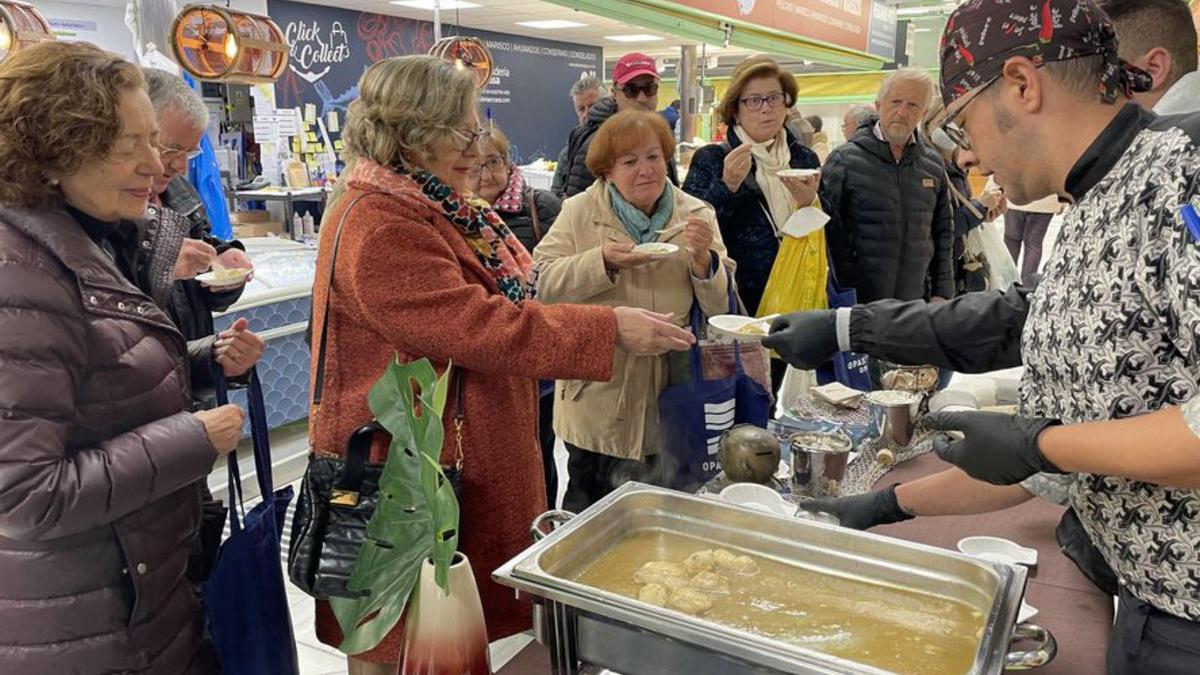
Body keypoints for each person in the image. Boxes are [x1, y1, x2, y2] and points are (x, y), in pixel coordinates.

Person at [764, 0, 1200, 670]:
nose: (967, 153)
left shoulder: (1182, 177)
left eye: (962, 123)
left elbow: (1057, 445)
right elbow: (1045, 447)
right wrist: (879, 506)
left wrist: (1044, 442)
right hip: (1145, 600)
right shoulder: (1089, 205)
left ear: (1024, 84)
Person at [309, 55, 695, 673]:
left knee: (446, 631)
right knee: (400, 638)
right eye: (462, 130)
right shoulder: (381, 223)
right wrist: (609, 328)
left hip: (438, 456)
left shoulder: (430, 204)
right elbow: (481, 326)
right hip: (402, 476)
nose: (475, 145)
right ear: (415, 133)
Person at [0, 41, 252, 673]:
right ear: (54, 146)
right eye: (128, 145)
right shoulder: (21, 273)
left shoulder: (91, 238)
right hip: (84, 620)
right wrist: (192, 437)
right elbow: (25, 496)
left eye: (156, 144)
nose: (154, 166)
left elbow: (93, 384)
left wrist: (199, 360)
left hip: (131, 594)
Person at [534, 110, 733, 511]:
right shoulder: (578, 212)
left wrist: (703, 263)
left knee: (664, 513)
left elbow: (721, 306)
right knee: (586, 514)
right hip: (597, 397)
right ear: (606, 171)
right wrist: (600, 261)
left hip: (673, 396)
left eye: (654, 157)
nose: (646, 171)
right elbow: (541, 282)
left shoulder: (696, 214)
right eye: (630, 162)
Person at [144, 68, 257, 403]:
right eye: (169, 149)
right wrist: (162, 262)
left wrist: (225, 269)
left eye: (189, 153)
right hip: (144, 403)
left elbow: (203, 292)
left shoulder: (179, 191)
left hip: (188, 383)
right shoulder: (93, 213)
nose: (179, 165)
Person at [465, 124, 563, 507]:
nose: (486, 174)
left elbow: (559, 276)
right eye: (476, 164)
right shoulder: (456, 212)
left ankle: (542, 520)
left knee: (539, 449)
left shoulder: (540, 206)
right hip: (486, 360)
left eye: (495, 162)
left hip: (536, 354)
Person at [682, 56, 821, 318]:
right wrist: (727, 185)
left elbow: (828, 231)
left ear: (786, 103)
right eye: (754, 100)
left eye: (774, 98)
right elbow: (691, 232)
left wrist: (809, 205)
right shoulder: (713, 158)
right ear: (736, 109)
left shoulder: (805, 158)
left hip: (802, 295)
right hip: (743, 304)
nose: (766, 108)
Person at [819, 68, 955, 303]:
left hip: (913, 304)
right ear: (879, 104)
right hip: (857, 304)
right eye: (896, 101)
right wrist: (842, 292)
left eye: (913, 105)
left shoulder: (933, 165)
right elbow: (828, 235)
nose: (902, 112)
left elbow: (943, 232)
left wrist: (942, 292)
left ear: (923, 112)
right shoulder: (844, 161)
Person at [557, 53, 679, 198]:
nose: (642, 98)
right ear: (614, 93)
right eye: (631, 90)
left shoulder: (659, 134)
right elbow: (580, 211)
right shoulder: (598, 141)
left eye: (649, 88)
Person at [923, 103, 1005, 294]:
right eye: (943, 122)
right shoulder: (926, 167)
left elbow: (957, 215)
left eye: (957, 124)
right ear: (927, 124)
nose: (950, 129)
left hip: (955, 264)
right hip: (933, 272)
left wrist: (984, 212)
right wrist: (978, 207)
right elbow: (935, 228)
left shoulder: (955, 167)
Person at [551, 76, 606, 195]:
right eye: (581, 109)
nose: (587, 114)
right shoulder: (567, 153)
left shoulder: (620, 144)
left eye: (592, 106)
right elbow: (556, 194)